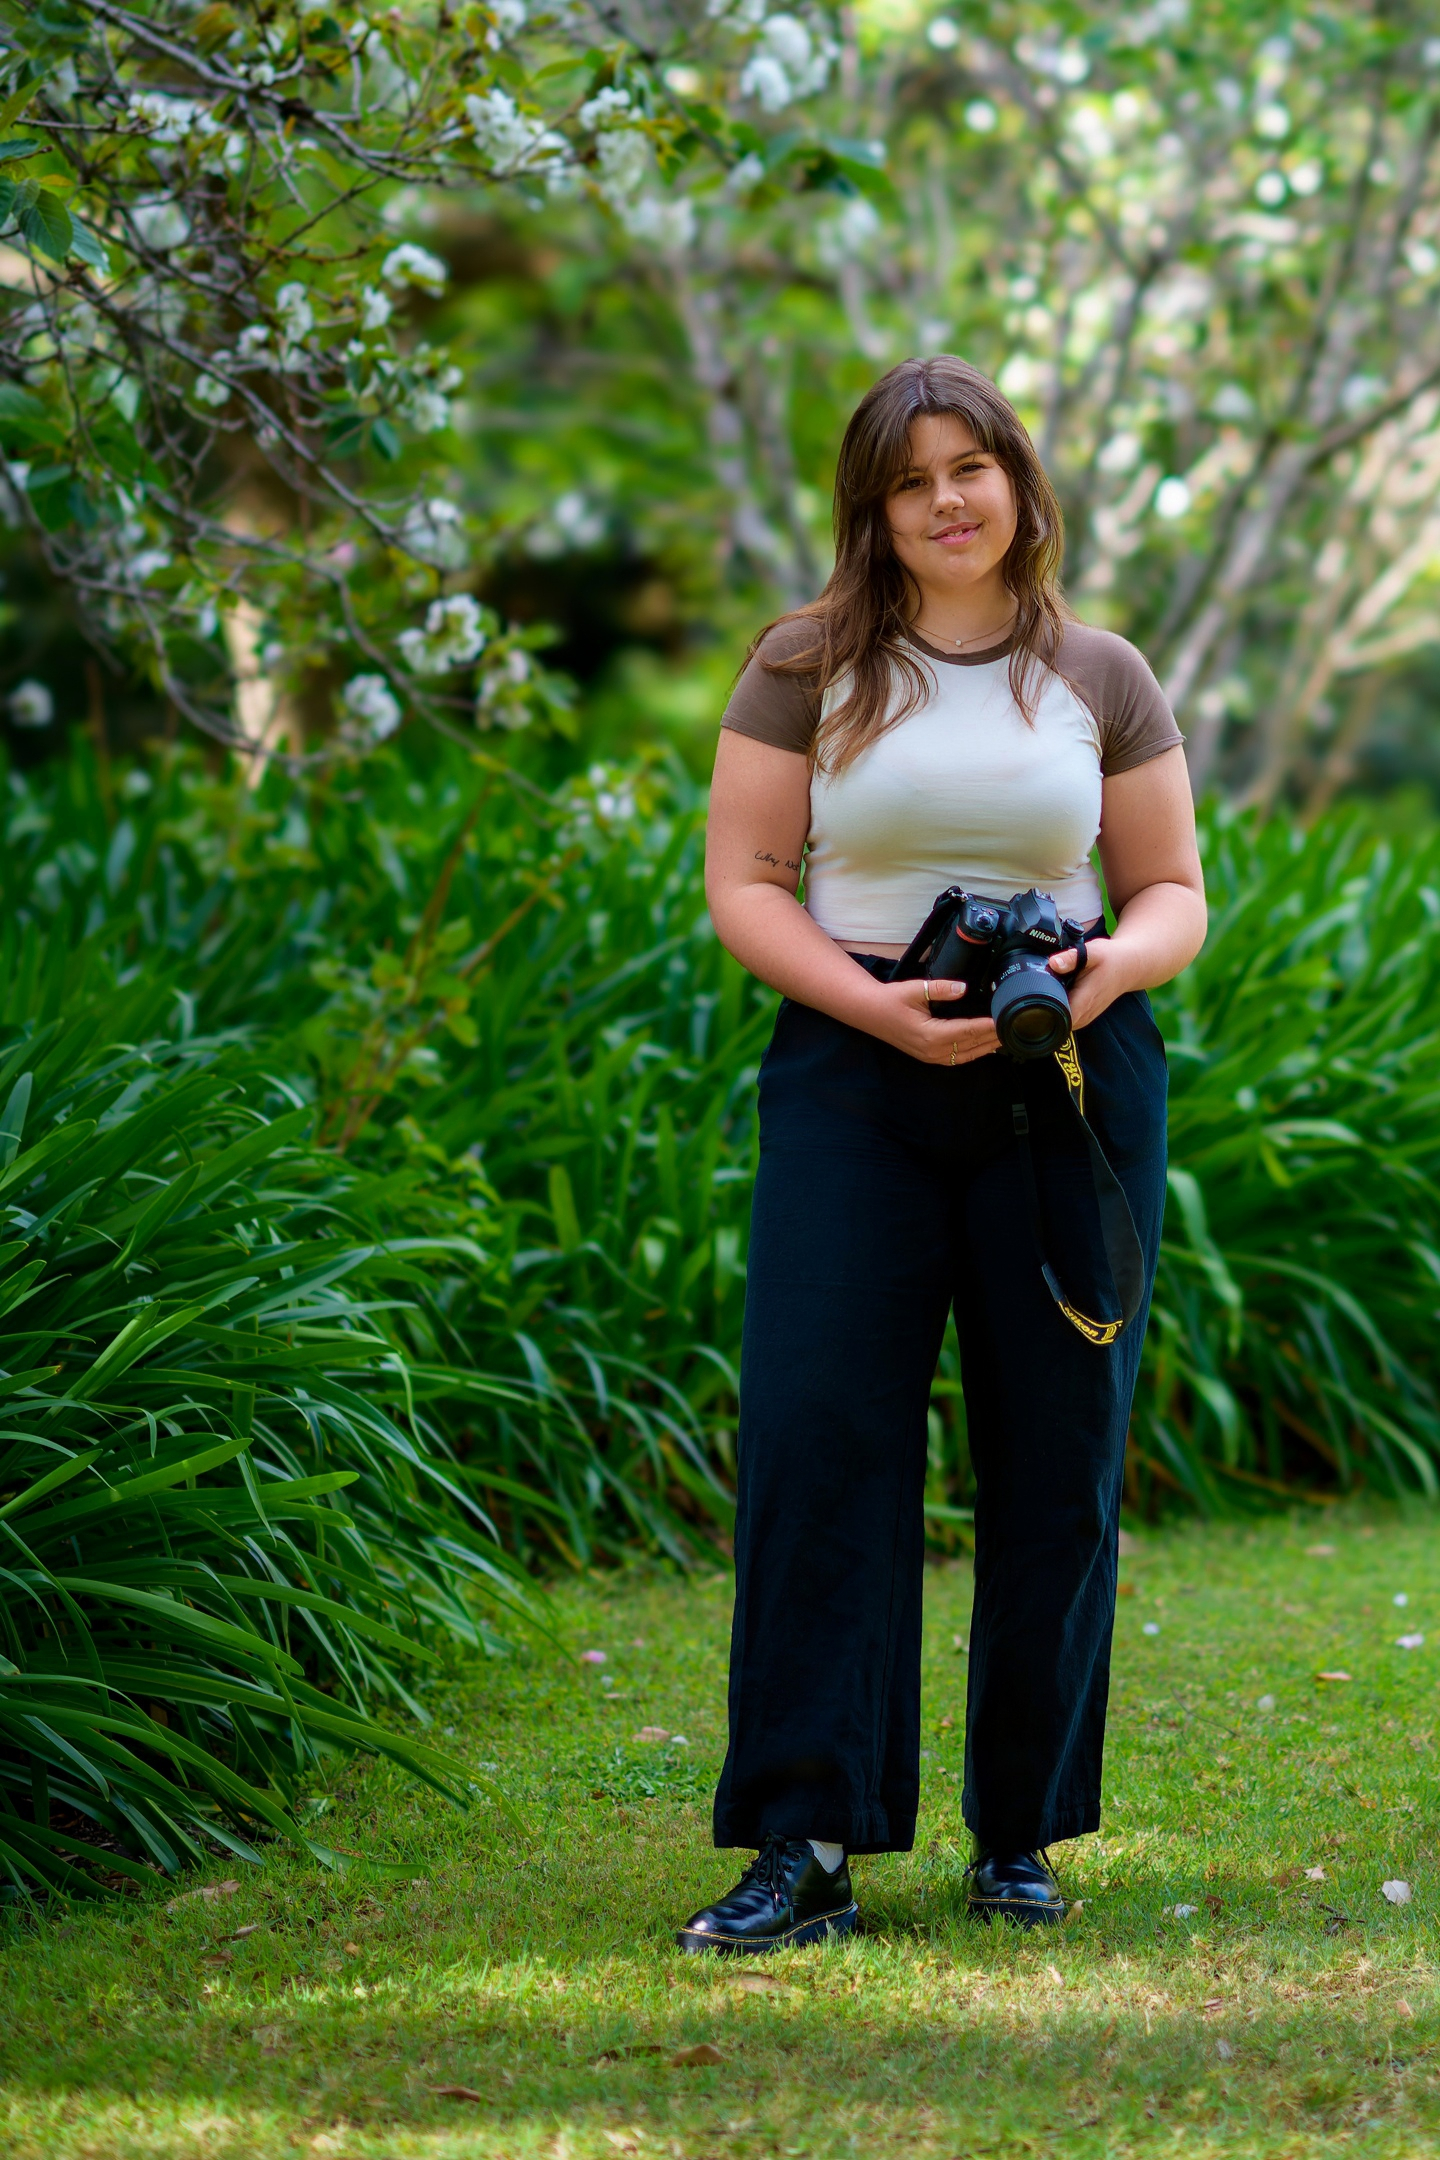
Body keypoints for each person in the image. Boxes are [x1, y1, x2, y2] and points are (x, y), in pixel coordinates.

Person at [677, 355, 1206, 1953]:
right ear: (875, 507)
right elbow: (751, 879)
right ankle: (805, 1841)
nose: (948, 500)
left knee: (1060, 1454)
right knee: (819, 1435)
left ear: (1020, 485)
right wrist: (876, 1010)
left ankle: (1022, 1832)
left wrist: (1104, 968)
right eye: (912, 479)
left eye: (973, 467)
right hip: (858, 1076)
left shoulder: (1099, 672)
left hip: (1064, 1079)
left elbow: (1174, 889)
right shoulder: (806, 663)